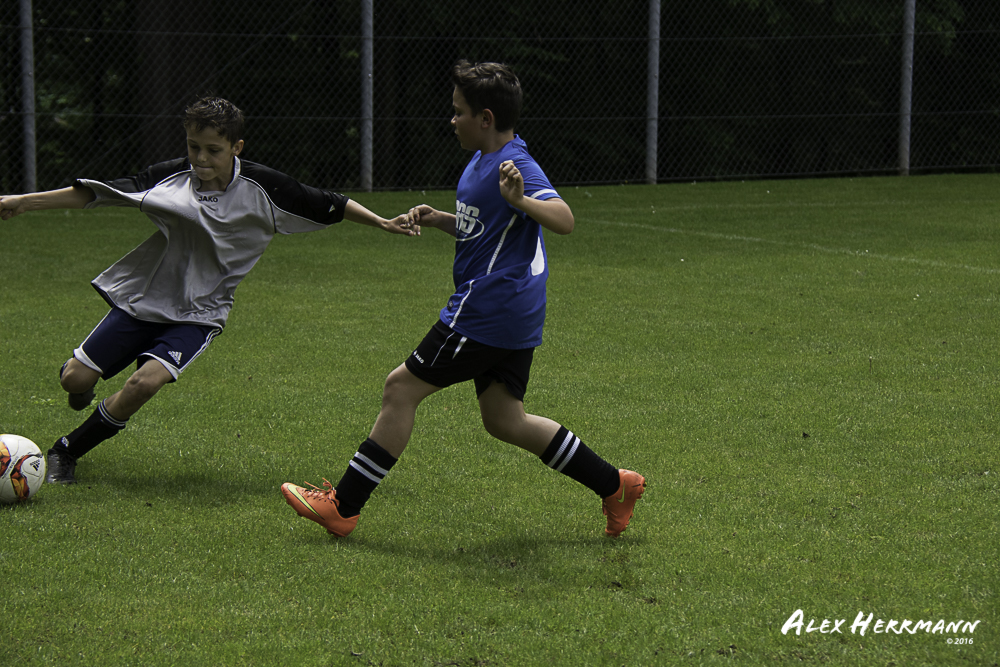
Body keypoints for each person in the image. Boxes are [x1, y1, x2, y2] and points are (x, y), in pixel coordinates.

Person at [281, 61, 645, 538]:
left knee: (400, 389)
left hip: (487, 310)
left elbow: (564, 219)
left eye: (458, 112)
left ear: (486, 118)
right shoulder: (480, 160)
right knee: (505, 419)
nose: (451, 120)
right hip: (513, 314)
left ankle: (343, 507)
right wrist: (442, 219)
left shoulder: (515, 165)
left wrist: (521, 200)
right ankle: (615, 485)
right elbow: (488, 227)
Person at [0, 96, 416, 485]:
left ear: (236, 147)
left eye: (213, 150)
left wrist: (383, 222)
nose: (200, 159)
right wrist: (23, 201)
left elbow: (332, 202)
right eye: (193, 147)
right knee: (73, 380)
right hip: (145, 301)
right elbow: (97, 193)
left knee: (143, 384)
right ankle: (81, 386)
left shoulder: (265, 187)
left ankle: (66, 450)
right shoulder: (170, 177)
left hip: (201, 313)